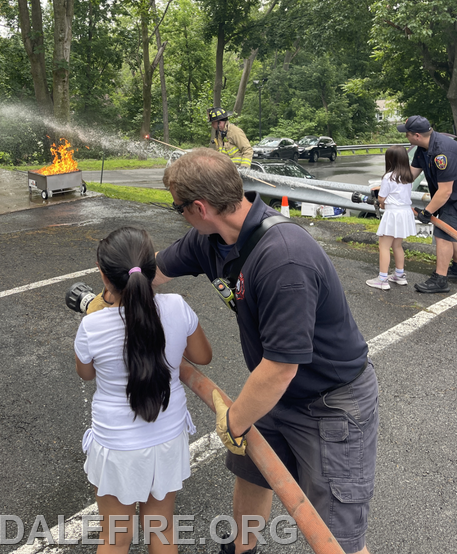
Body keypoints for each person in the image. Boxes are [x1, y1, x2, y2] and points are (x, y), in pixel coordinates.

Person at [155, 148, 379, 554]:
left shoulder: (283, 259)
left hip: (330, 403)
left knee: (334, 534)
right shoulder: (211, 240)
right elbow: (155, 269)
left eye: (178, 209)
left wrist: (233, 421)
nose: (179, 215)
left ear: (199, 207)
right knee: (254, 472)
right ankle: (243, 549)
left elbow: (280, 368)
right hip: (274, 394)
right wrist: (119, 290)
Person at [74, 226, 212, 554]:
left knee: (116, 537)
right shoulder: (177, 307)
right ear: (151, 270)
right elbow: (203, 357)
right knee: (161, 529)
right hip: (167, 438)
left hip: (117, 445)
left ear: (103, 277)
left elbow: (86, 374)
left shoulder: (91, 326)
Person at [398, 115, 457, 293]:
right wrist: (389, 186)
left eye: (406, 133)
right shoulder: (422, 149)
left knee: (443, 234)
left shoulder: (442, 152)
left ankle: (440, 280)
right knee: (448, 229)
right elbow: (409, 176)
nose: (405, 136)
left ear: (416, 135)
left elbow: (445, 191)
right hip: (453, 194)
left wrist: (427, 212)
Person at [366, 146, 417, 290]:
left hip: (393, 214)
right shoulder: (408, 177)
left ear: (390, 160)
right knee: (397, 245)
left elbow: (381, 197)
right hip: (405, 213)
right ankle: (399, 275)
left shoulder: (389, 177)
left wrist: (382, 202)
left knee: (384, 246)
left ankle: (382, 279)